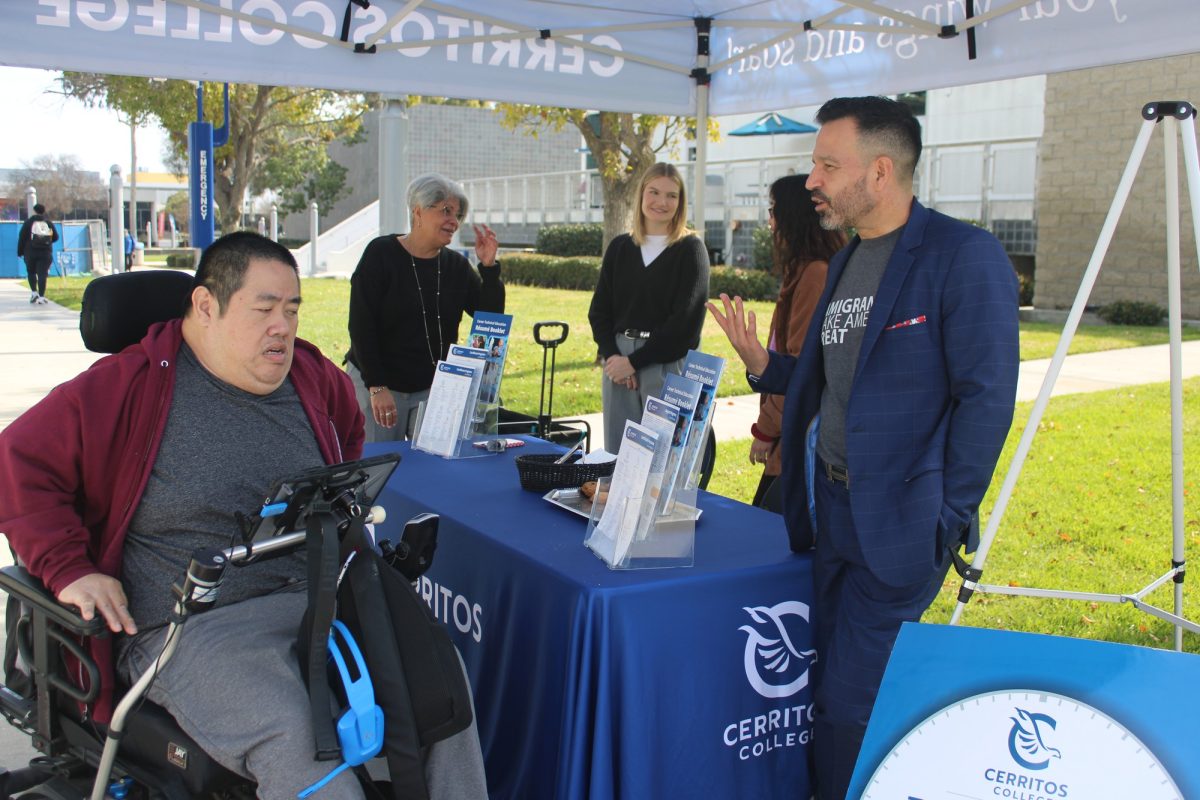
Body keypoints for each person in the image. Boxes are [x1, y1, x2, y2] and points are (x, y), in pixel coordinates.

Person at [0, 232, 487, 800]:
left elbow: (348, 435)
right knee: (302, 738)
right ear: (206, 306)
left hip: (321, 600)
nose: (282, 325)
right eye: (264, 309)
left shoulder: (311, 375)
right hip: (192, 627)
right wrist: (70, 568)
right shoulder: (126, 387)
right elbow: (18, 462)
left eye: (292, 309)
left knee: (440, 683)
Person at [708, 96, 1019, 800]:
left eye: (826, 164)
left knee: (848, 705)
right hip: (831, 512)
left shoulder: (962, 256)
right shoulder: (849, 260)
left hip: (904, 525)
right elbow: (827, 381)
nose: (812, 179)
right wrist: (764, 364)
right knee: (828, 688)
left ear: (880, 171)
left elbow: (986, 400)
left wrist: (944, 517)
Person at [347, 173, 503, 442]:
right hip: (379, 382)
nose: (453, 221)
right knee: (378, 469)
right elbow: (361, 325)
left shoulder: (456, 266)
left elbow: (489, 320)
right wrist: (376, 386)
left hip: (433, 388)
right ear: (418, 210)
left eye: (458, 214)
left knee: (430, 468)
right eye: (445, 211)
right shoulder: (380, 254)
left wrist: (489, 268)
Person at [588, 163, 711, 453]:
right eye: (654, 192)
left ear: (680, 202)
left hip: (666, 362)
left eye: (672, 195)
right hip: (618, 363)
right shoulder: (620, 247)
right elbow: (599, 311)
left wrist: (635, 362)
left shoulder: (691, 250)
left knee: (663, 459)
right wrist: (615, 358)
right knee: (619, 458)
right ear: (641, 194)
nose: (662, 202)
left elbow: (686, 323)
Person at [749, 174, 846, 508]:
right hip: (788, 433)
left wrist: (765, 430)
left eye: (775, 210)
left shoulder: (815, 275)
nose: (770, 220)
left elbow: (799, 368)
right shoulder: (802, 271)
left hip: (797, 437)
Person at [16, 203, 58, 305]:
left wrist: (20, 252)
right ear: (44, 211)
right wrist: (47, 243)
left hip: (30, 253)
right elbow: (56, 237)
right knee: (42, 274)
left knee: (31, 272)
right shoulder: (48, 223)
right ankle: (41, 297)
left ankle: (34, 293)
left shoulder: (28, 223)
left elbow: (21, 238)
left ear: (34, 211)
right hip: (45, 253)